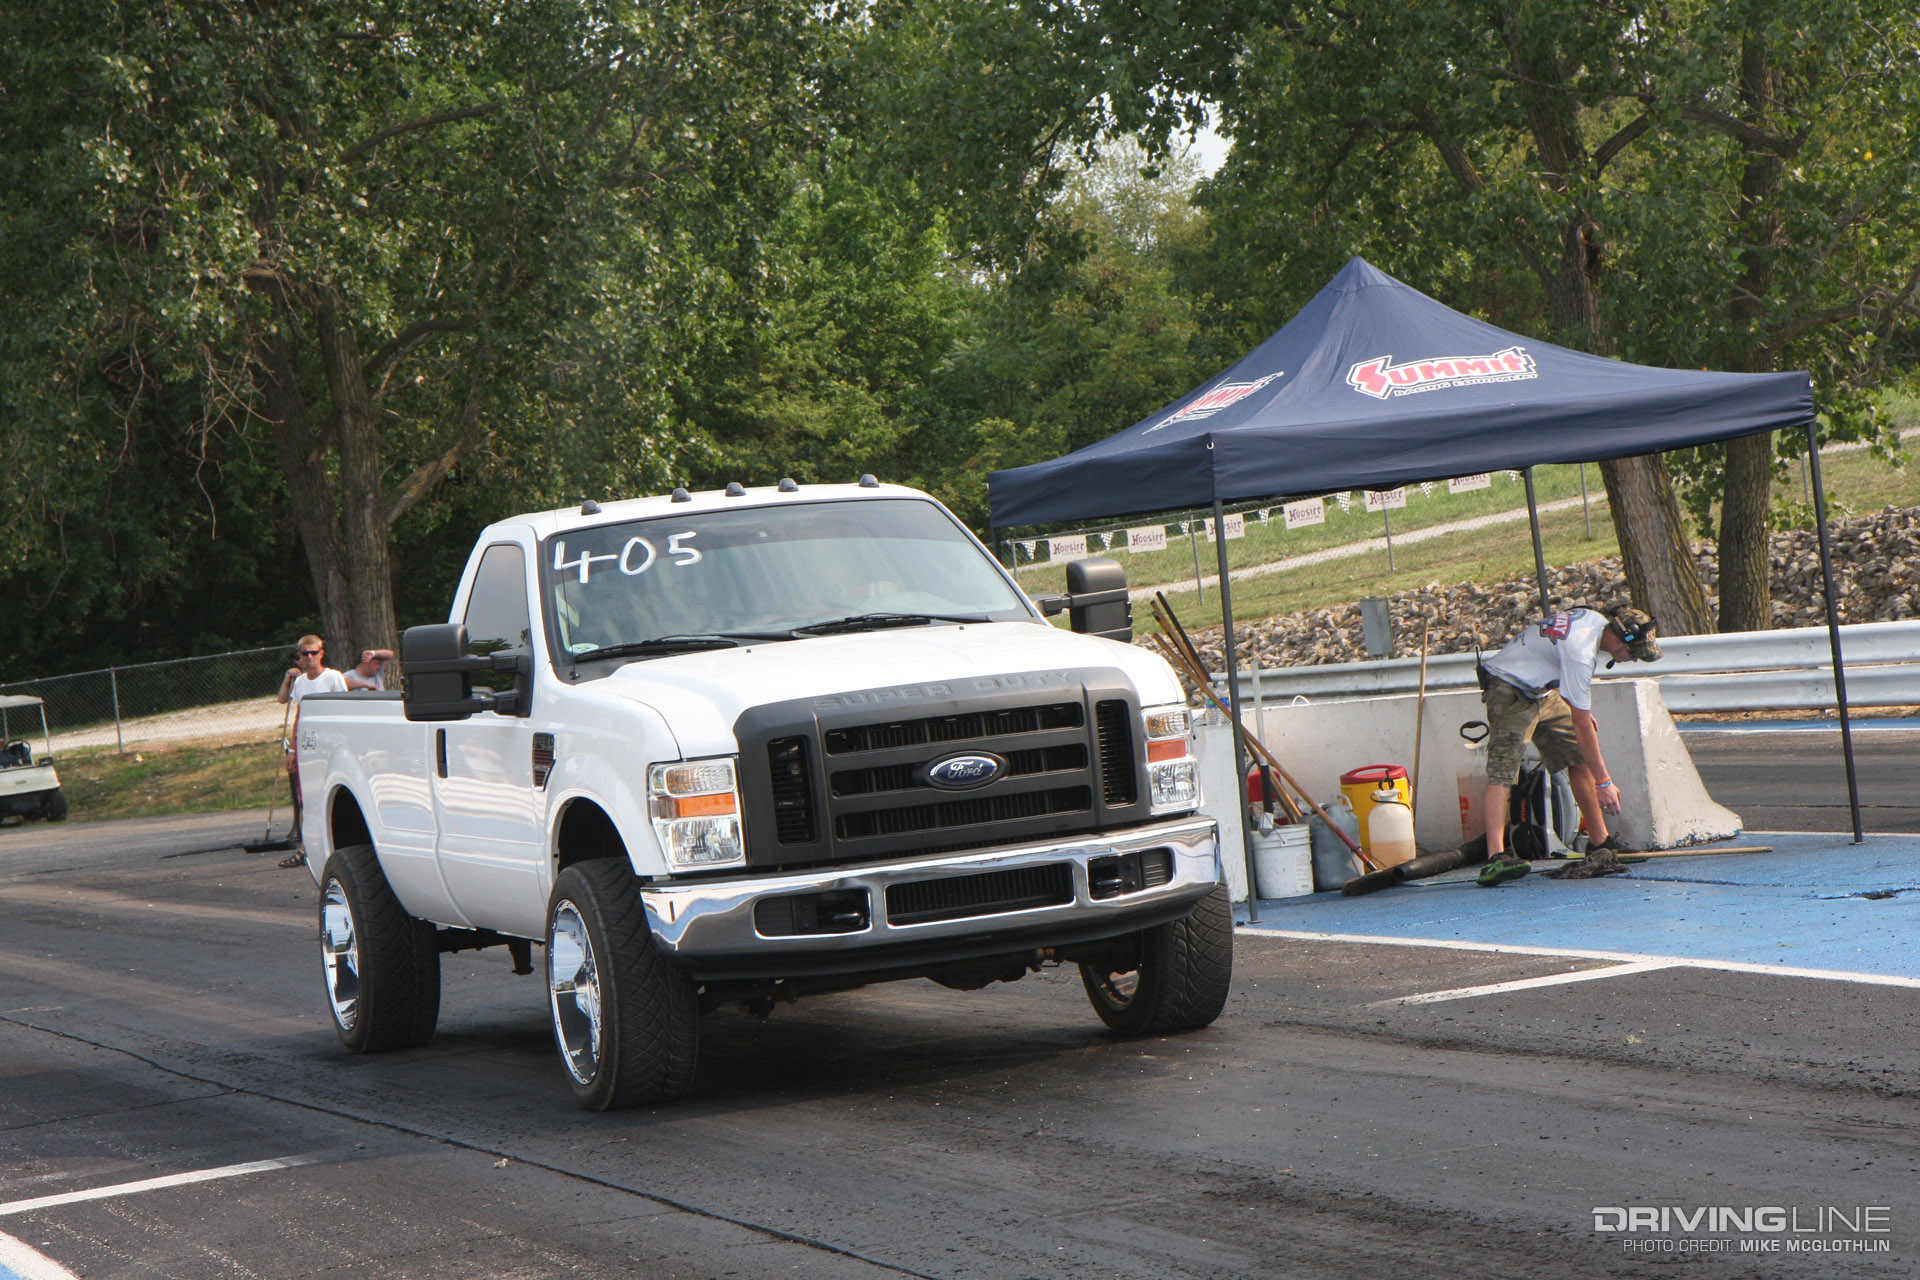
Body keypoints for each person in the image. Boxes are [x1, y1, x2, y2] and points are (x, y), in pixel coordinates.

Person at [1474, 607, 1663, 886]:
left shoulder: (1594, 619)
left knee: (1577, 755)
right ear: (1619, 640)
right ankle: (1495, 858)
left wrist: (1579, 711)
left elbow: (1553, 655)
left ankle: (1600, 845)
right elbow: (1582, 726)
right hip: (1508, 687)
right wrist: (1604, 782)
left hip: (1542, 690)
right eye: (1633, 651)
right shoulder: (1582, 654)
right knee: (1504, 770)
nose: (1634, 658)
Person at [274, 636, 346, 864]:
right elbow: (295, 712)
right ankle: (306, 848)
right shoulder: (301, 682)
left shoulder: (333, 677)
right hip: (309, 744)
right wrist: (293, 751)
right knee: (308, 797)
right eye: (305, 654)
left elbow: (344, 707)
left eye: (314, 652)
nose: (310, 657)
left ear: (321, 653)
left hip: (331, 742)